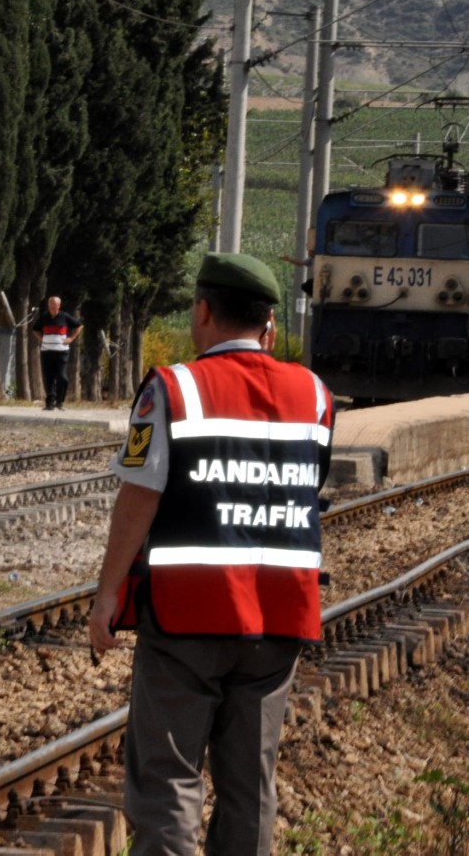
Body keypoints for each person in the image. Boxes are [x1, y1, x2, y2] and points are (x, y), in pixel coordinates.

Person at [87, 252, 334, 855]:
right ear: (269, 326)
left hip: (189, 616)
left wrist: (107, 594)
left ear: (202, 312)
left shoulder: (171, 389)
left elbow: (140, 496)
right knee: (251, 786)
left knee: (168, 781)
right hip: (279, 620)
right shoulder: (316, 395)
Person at [32, 296, 83, 410]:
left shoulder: (64, 317)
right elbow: (35, 329)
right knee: (48, 378)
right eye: (50, 304)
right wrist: (41, 339)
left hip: (62, 352)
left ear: (59, 306)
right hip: (47, 351)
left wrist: (71, 338)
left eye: (54, 304)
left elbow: (79, 326)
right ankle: (49, 403)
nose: (52, 306)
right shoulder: (44, 317)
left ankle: (60, 402)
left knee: (62, 377)